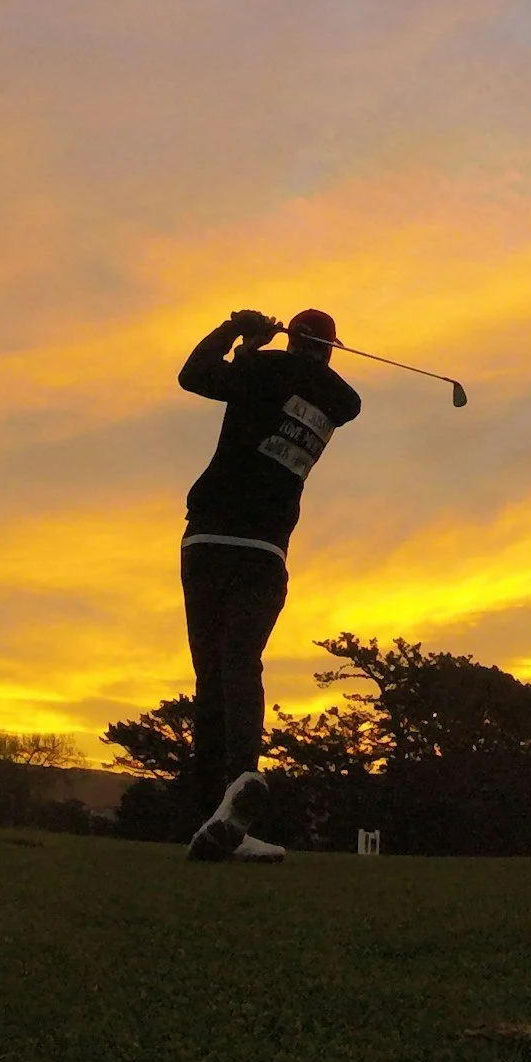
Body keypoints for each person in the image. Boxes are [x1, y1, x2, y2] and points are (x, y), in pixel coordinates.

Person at [175, 306, 362, 862]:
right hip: (263, 549)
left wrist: (240, 332)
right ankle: (233, 801)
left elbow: (194, 374)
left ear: (293, 340)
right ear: (329, 348)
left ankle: (215, 811)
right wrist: (263, 349)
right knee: (241, 663)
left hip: (206, 538)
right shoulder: (341, 402)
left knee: (212, 678)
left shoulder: (259, 372)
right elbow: (293, 388)